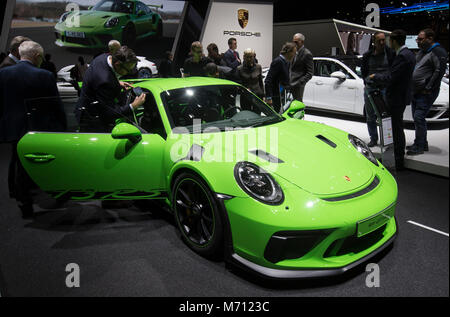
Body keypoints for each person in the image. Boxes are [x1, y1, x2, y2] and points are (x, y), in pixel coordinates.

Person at [0, 40, 67, 218]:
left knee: (17, 160)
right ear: (37, 56)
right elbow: (55, 105)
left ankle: (21, 199)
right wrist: (62, 128)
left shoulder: (3, 73)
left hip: (13, 126)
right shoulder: (44, 76)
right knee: (43, 161)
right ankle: (51, 191)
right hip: (38, 127)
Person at [370, 29, 416, 170]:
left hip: (396, 97)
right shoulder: (409, 54)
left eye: (389, 40)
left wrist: (375, 77)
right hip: (400, 96)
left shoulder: (402, 56)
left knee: (396, 129)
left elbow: (392, 77)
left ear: (393, 41)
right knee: (396, 127)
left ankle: (398, 160)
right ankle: (396, 158)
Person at [75, 46, 146, 132]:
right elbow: (109, 112)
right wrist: (133, 106)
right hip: (92, 120)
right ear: (117, 65)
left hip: (84, 107)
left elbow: (98, 78)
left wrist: (116, 82)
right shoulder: (105, 81)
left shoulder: (103, 57)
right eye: (128, 70)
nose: (129, 73)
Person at [407, 28, 448, 155]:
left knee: (419, 117)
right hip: (417, 91)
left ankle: (419, 146)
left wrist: (428, 87)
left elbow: (439, 72)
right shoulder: (423, 51)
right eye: (417, 39)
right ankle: (421, 143)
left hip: (426, 92)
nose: (417, 41)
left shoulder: (438, 51)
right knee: (417, 118)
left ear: (430, 39)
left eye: (420, 39)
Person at [361, 31, 395, 147]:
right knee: (370, 116)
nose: (382, 42)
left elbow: (393, 71)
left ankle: (387, 140)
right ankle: (373, 139)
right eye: (379, 40)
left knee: (386, 116)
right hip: (370, 89)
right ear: (374, 42)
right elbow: (363, 71)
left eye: (383, 40)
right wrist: (366, 81)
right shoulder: (367, 55)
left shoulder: (390, 53)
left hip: (385, 88)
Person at [264, 42, 297, 113]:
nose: (294, 55)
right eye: (294, 53)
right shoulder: (278, 62)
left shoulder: (286, 62)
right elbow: (268, 81)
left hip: (283, 97)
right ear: (288, 52)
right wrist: (269, 98)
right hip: (275, 97)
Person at [290, 33, 314, 102]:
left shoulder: (307, 54)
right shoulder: (293, 52)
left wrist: (300, 83)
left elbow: (310, 73)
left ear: (302, 42)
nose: (294, 43)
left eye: (296, 42)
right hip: (289, 84)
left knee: (298, 105)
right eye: (293, 42)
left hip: (298, 85)